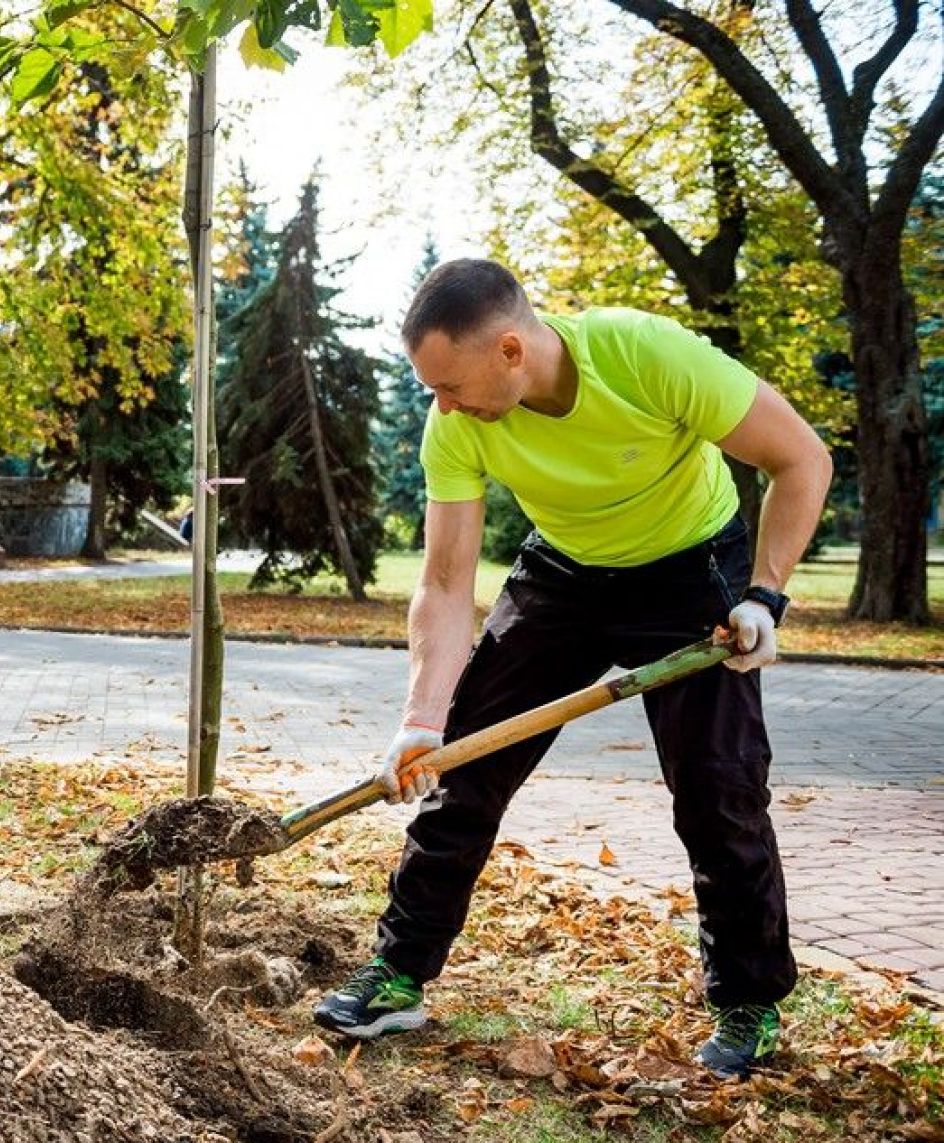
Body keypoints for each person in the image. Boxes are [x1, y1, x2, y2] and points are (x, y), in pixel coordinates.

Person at [311, 260, 832, 1080]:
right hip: (565, 576)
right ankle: (399, 973)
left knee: (718, 791)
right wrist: (421, 721)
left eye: (450, 385)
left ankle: (750, 1003)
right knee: (462, 768)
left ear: (511, 350)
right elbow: (446, 582)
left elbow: (801, 458)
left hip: (693, 569)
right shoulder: (455, 425)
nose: (441, 406)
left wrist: (766, 593)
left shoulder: (647, 355)